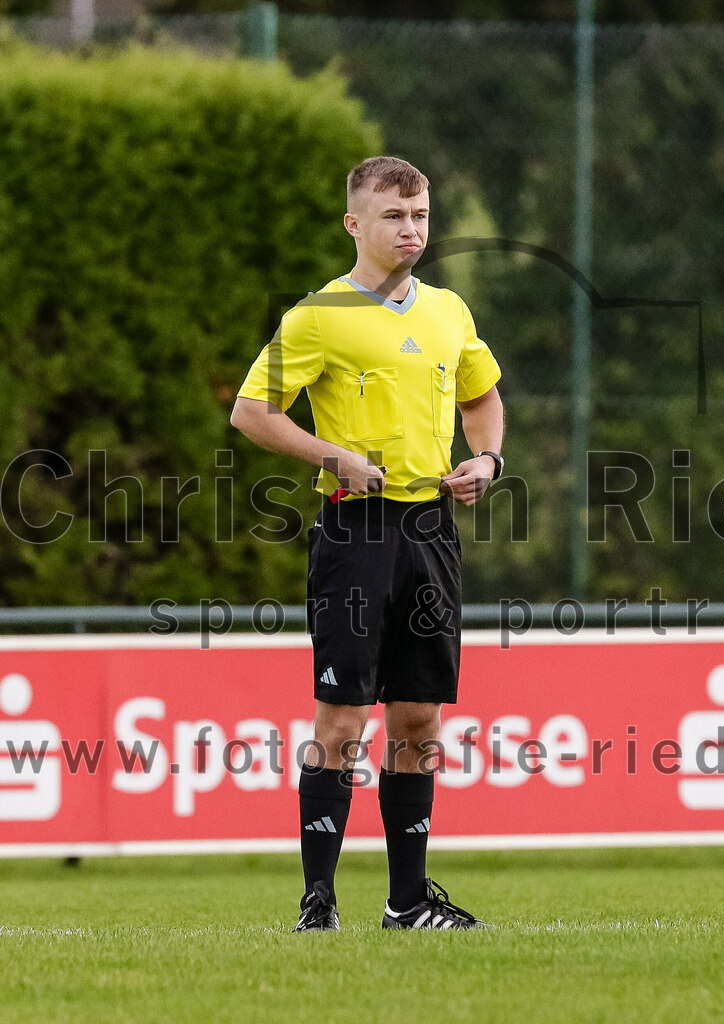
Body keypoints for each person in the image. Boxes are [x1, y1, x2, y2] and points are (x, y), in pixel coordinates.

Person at [231, 156, 504, 931]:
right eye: (393, 216)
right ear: (355, 224)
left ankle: (408, 902)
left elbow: (482, 396)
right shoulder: (319, 316)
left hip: (430, 531)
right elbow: (253, 412)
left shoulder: (448, 309)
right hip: (355, 530)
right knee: (343, 719)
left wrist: (487, 459)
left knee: (418, 719)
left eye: (419, 215)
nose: (410, 229)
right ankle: (318, 903)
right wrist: (332, 455)